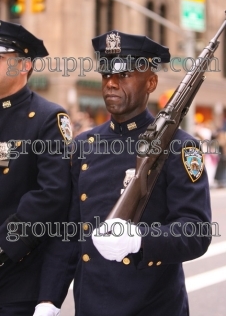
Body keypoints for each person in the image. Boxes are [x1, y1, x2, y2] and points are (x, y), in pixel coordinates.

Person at [34, 31, 212, 316]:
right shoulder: (84, 145)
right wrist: (48, 299)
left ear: (150, 83)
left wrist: (139, 239)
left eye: (124, 75)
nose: (111, 84)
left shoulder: (180, 146)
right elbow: (68, 232)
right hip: (91, 304)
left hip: (152, 305)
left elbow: (196, 231)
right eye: (106, 76)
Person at [0, 20, 72, 315]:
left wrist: (4, 247)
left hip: (17, 276)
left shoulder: (48, 118)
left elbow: (51, 194)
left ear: (24, 65)